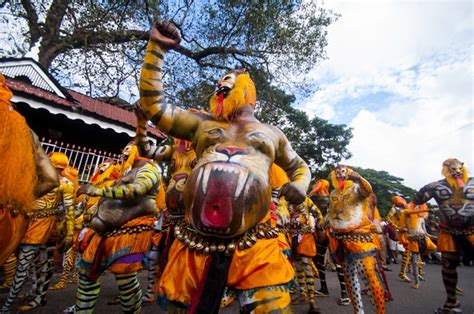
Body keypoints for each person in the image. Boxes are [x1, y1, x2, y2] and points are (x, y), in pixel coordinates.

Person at [136, 20, 310, 313]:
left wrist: (301, 185)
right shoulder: (202, 124)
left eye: (227, 80)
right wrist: (156, 50)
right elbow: (154, 107)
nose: (220, 86)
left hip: (257, 244)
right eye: (218, 83)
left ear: (246, 89)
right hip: (194, 240)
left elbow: (299, 166)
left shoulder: (272, 133)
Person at [66, 143, 161, 314]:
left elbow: (137, 190)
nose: (124, 152)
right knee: (86, 274)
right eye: (124, 149)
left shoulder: (149, 170)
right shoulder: (129, 171)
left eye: (129, 149)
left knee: (125, 281)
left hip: (131, 233)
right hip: (104, 233)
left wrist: (96, 191)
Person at [1, 152, 76, 312]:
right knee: (40, 263)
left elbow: (70, 211)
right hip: (26, 223)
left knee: (24, 265)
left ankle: (7, 305)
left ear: (55, 165)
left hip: (45, 226)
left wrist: (69, 235)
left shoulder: (65, 184)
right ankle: (37, 295)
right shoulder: (36, 180)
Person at [413, 158, 473, 313]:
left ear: (463, 167)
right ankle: (451, 302)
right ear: (445, 170)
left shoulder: (472, 183)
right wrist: (426, 187)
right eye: (452, 169)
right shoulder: (438, 186)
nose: (456, 172)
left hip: (472, 230)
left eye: (458, 168)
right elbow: (417, 200)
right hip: (449, 233)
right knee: (448, 267)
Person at [327, 164, 385, 314]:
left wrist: (359, 179)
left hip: (360, 241)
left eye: (343, 172)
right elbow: (332, 210)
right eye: (337, 172)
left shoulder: (356, 189)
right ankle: (358, 312)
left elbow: (367, 190)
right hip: (340, 242)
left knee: (369, 280)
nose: (340, 174)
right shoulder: (333, 193)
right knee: (350, 282)